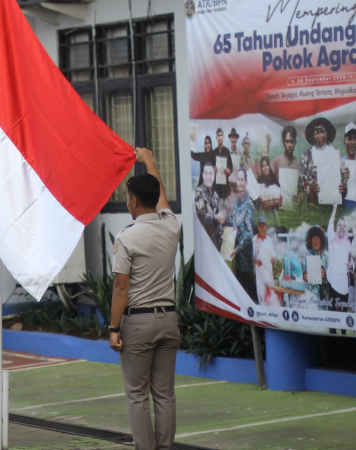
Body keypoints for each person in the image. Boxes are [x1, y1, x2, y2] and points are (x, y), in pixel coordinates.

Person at [109, 147, 181, 450]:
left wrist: (114, 329)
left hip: (138, 324)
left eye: (127, 197)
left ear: (134, 200)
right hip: (169, 320)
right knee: (164, 394)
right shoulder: (171, 226)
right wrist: (149, 161)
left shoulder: (127, 237)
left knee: (137, 394)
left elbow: (121, 289)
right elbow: (160, 197)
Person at [223, 168, 258, 303]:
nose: (240, 182)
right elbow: (231, 222)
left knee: (251, 295)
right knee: (240, 295)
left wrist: (237, 249)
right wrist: (224, 234)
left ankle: (258, 322)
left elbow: (249, 234)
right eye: (238, 179)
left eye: (243, 179)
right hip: (236, 258)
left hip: (245, 259)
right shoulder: (236, 202)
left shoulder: (249, 205)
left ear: (246, 182)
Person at [299, 117, 347, 205]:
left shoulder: (334, 153)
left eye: (322, 132)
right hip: (313, 204)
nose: (320, 136)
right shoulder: (307, 154)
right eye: (317, 133)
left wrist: (343, 184)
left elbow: (342, 176)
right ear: (313, 135)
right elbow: (301, 178)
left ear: (327, 133)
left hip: (332, 202)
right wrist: (310, 185)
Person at [326, 203, 352, 334]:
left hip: (343, 282)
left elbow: (352, 260)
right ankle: (332, 332)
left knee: (342, 310)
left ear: (347, 228)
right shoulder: (332, 238)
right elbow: (330, 224)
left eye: (344, 226)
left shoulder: (348, 243)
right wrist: (334, 208)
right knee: (331, 308)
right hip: (332, 279)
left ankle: (343, 333)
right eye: (340, 225)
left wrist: (352, 265)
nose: (342, 228)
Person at [195, 163, 224, 250]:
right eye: (206, 173)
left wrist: (221, 233)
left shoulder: (215, 196)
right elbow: (201, 216)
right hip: (203, 242)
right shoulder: (199, 192)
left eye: (210, 173)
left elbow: (218, 221)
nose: (208, 177)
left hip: (214, 243)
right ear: (203, 175)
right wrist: (216, 217)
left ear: (214, 176)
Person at [301, 226, 328, 310]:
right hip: (311, 293)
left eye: (317, 239)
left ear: (321, 240)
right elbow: (305, 270)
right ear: (310, 240)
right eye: (313, 239)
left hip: (322, 293)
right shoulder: (308, 254)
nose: (315, 241)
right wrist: (304, 275)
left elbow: (331, 276)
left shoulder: (326, 255)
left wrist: (325, 275)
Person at [253, 217, 276, 305]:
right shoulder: (255, 239)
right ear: (258, 227)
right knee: (262, 298)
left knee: (272, 297)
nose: (262, 228)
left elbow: (273, 254)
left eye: (263, 226)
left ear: (266, 227)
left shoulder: (269, 240)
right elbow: (252, 256)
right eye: (260, 226)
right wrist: (255, 261)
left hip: (269, 274)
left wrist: (273, 258)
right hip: (260, 275)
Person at [212, 128, 233, 199]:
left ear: (223, 137)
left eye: (221, 135)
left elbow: (231, 167)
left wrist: (229, 170)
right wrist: (213, 170)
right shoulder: (214, 152)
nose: (220, 137)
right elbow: (211, 167)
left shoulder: (227, 151)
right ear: (216, 138)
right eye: (218, 135)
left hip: (225, 186)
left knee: (225, 207)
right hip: (216, 186)